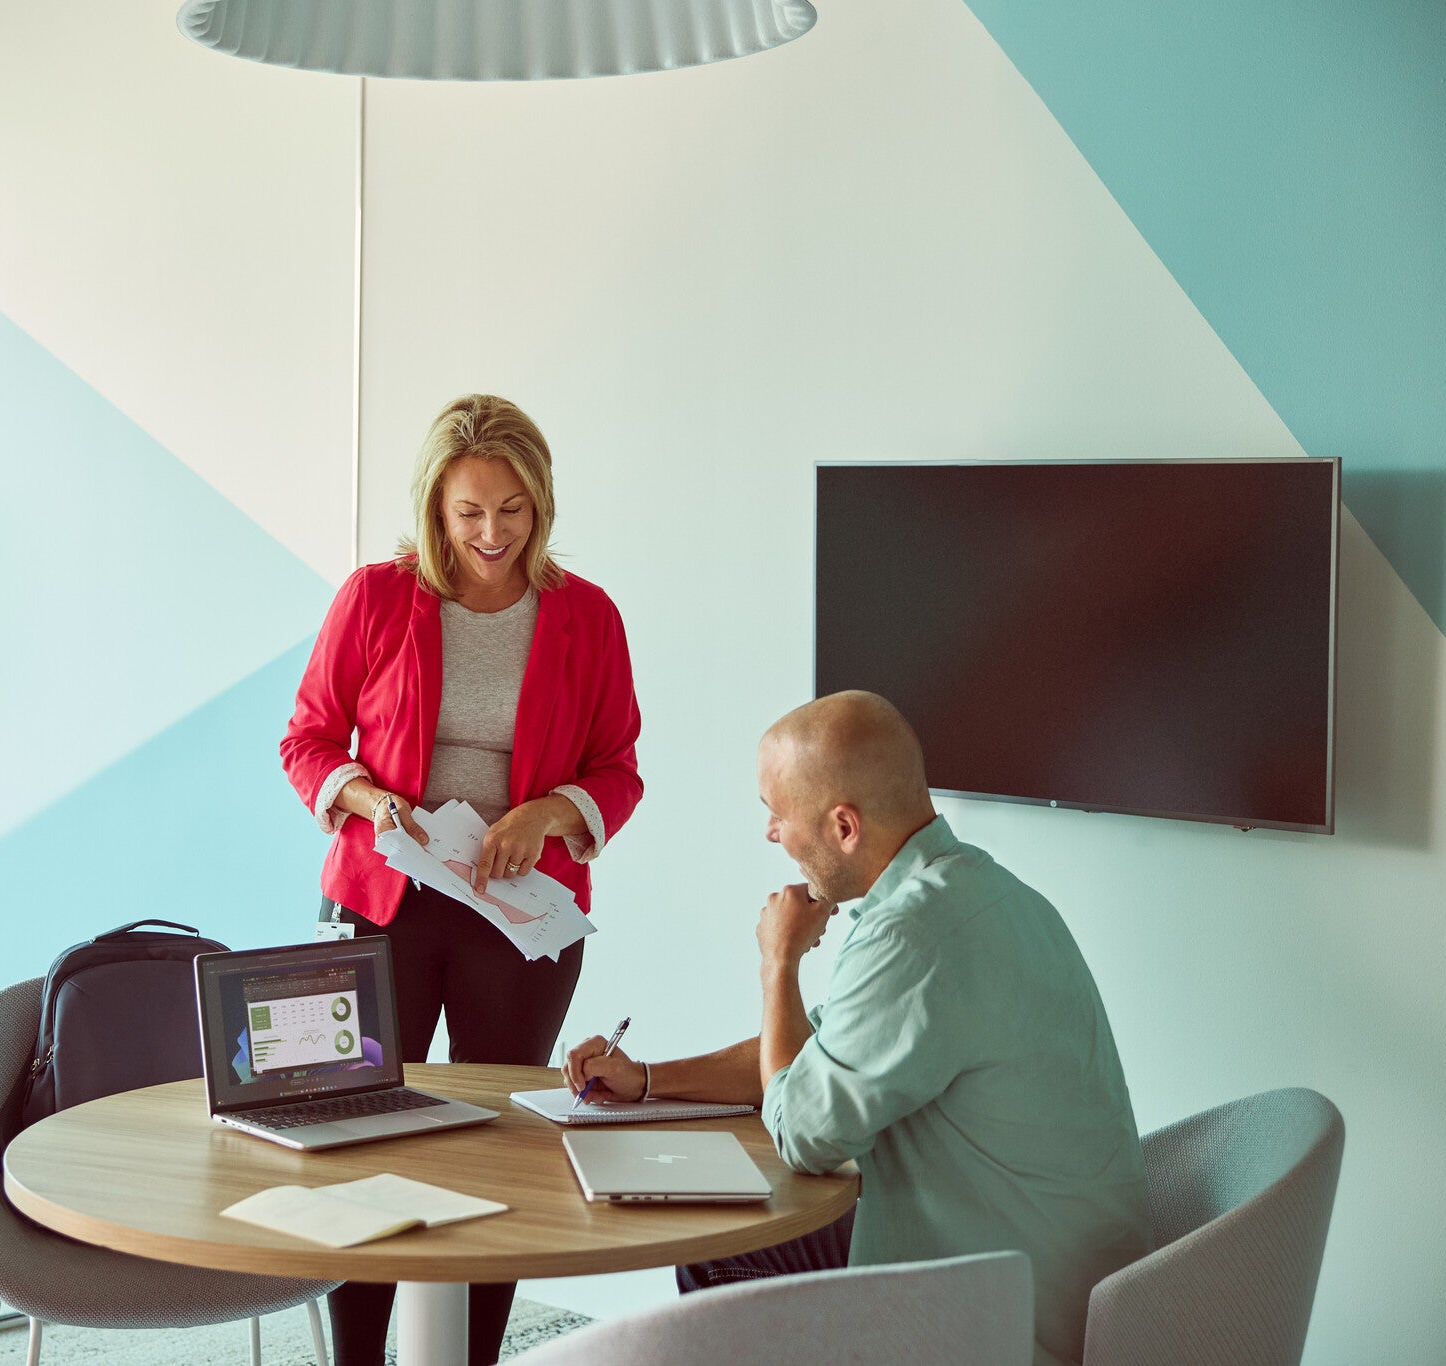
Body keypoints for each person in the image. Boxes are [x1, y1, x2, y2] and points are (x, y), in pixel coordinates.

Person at [563, 691, 1151, 1366]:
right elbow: (819, 1055)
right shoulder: (989, 894)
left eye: (777, 813)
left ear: (844, 826)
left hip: (1001, 1316)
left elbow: (802, 1135)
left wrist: (778, 964)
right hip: (1059, 1279)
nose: (771, 834)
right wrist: (646, 1080)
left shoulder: (911, 935)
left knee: (722, 1252)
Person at [282, 394, 644, 1366]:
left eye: (511, 510)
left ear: (541, 503)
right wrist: (369, 800)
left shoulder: (586, 615)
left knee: (496, 1148)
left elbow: (618, 768)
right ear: (434, 509)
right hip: (381, 900)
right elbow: (307, 740)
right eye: (468, 512)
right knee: (358, 1140)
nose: (490, 533)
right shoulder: (374, 598)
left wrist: (547, 814)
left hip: (517, 917)